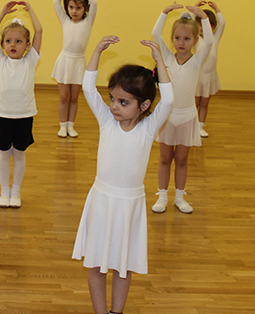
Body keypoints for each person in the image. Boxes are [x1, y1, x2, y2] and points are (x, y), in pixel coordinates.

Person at [73, 36, 173, 314]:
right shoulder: (106, 121)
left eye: (123, 102)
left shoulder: (148, 129)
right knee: (95, 265)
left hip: (129, 205)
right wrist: (96, 51)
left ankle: (116, 312)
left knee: (123, 267)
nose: (114, 106)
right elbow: (87, 87)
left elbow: (168, 100)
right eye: (112, 99)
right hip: (102, 202)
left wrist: (160, 61)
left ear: (144, 105)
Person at [150, 3, 212, 214]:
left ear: (195, 40)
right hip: (168, 117)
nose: (182, 42)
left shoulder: (197, 61)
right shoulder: (167, 58)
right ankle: (162, 196)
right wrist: (164, 12)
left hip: (187, 117)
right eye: (177, 38)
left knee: (182, 160)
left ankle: (179, 197)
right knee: (165, 158)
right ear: (172, 39)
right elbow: (155, 34)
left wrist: (204, 17)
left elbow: (210, 41)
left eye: (187, 39)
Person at [0, 1, 43, 209]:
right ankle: (5, 191)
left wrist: (31, 11)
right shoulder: (0, 60)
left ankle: (16, 191)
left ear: (27, 45)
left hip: (24, 115)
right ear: (2, 45)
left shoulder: (31, 61)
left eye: (19, 41)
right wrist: (3, 12)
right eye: (8, 41)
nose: (13, 45)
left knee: (19, 154)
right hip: (2, 115)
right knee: (4, 154)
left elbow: (39, 30)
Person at [52, 0, 97, 138]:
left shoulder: (88, 22)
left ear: (85, 9)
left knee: (74, 97)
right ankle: (62, 126)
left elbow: (94, 2)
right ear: (67, 8)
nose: (74, 11)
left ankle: (71, 125)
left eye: (78, 8)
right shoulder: (65, 20)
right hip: (65, 61)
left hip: (79, 62)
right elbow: (55, 2)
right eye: (71, 7)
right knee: (64, 97)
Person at [193, 0, 225, 138]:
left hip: (209, 76)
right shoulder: (195, 38)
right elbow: (188, 21)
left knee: (205, 102)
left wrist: (217, 9)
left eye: (208, 24)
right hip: (197, 76)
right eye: (200, 25)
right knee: (195, 102)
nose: (203, 28)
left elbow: (222, 24)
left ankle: (200, 126)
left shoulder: (214, 38)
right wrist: (195, 8)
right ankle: (191, 126)